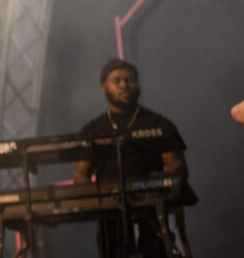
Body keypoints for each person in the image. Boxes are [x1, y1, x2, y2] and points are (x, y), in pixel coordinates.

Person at [73, 58, 194, 257]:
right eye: (117, 81)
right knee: (111, 246)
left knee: (155, 249)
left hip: (153, 207)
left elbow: (178, 167)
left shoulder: (158, 124)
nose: (124, 85)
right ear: (104, 87)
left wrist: (158, 184)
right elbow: (80, 172)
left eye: (130, 80)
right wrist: (95, 196)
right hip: (109, 210)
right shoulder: (92, 130)